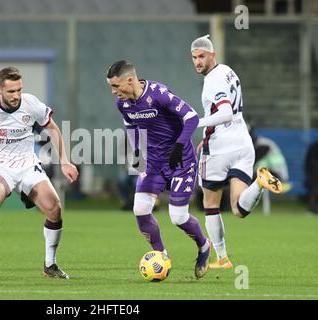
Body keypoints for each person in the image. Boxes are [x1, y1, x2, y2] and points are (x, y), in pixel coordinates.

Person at [0, 66, 78, 279]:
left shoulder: (31, 104)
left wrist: (65, 162)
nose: (16, 96)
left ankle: (50, 265)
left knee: (55, 208)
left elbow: (53, 129)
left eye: (19, 90)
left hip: (27, 165)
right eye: (11, 91)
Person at [106, 60, 211, 279]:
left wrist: (179, 146)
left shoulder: (158, 94)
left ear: (131, 80)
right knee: (140, 209)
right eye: (111, 87)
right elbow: (130, 125)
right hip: (153, 162)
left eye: (116, 86)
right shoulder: (123, 104)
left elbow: (191, 117)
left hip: (180, 161)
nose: (114, 92)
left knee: (178, 217)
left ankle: (204, 246)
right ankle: (161, 255)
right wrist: (137, 153)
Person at [191, 35, 283, 269]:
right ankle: (259, 183)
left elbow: (225, 112)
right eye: (194, 58)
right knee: (239, 209)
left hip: (220, 147)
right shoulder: (228, 71)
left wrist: (196, 123)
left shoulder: (212, 81)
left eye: (202, 56)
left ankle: (222, 258)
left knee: (210, 203)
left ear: (212, 55)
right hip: (242, 142)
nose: (198, 62)